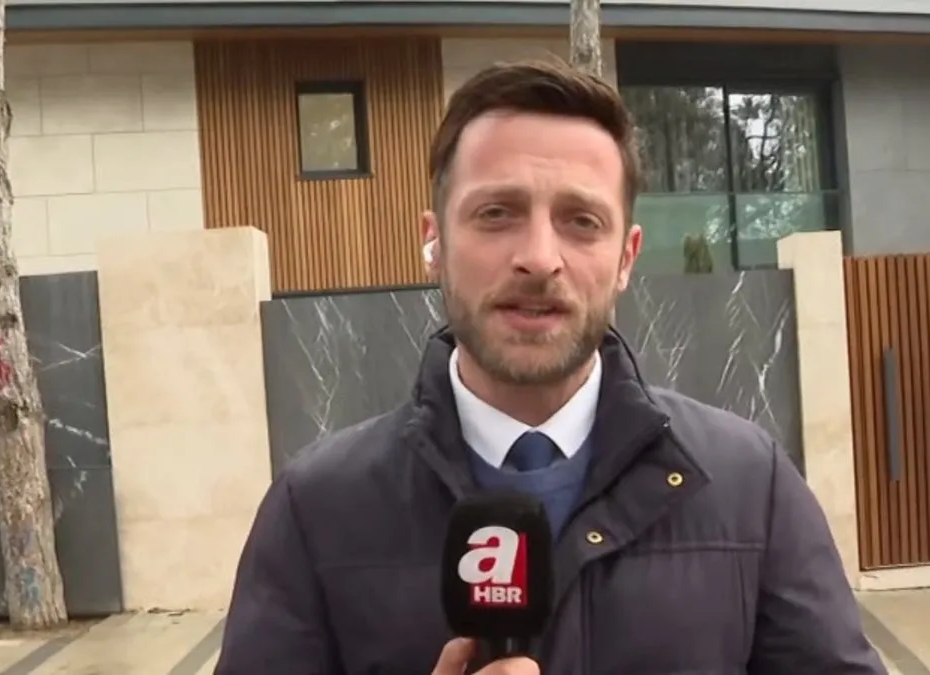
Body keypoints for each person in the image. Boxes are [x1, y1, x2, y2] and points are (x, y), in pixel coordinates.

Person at [214, 58, 887, 675]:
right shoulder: (314, 510)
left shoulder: (751, 487)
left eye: (581, 221)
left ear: (626, 258)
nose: (539, 258)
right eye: (496, 213)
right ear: (434, 243)